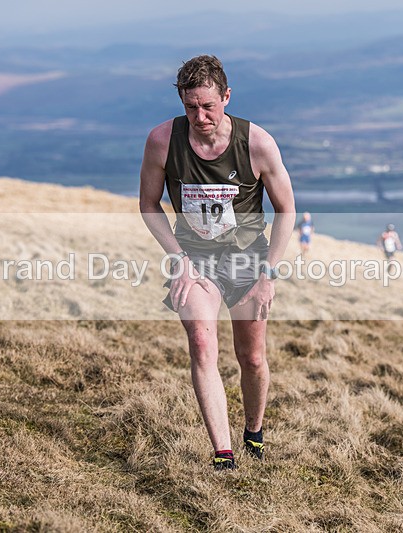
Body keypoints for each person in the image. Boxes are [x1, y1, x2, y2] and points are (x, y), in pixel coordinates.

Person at [139, 55, 296, 470]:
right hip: (195, 260)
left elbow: (287, 210)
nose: (200, 117)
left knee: (252, 358)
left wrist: (268, 274)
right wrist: (179, 259)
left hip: (248, 260)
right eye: (191, 107)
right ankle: (223, 454)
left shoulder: (257, 143)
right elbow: (149, 204)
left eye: (208, 106)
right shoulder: (162, 140)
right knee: (202, 344)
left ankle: (254, 432)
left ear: (226, 96)